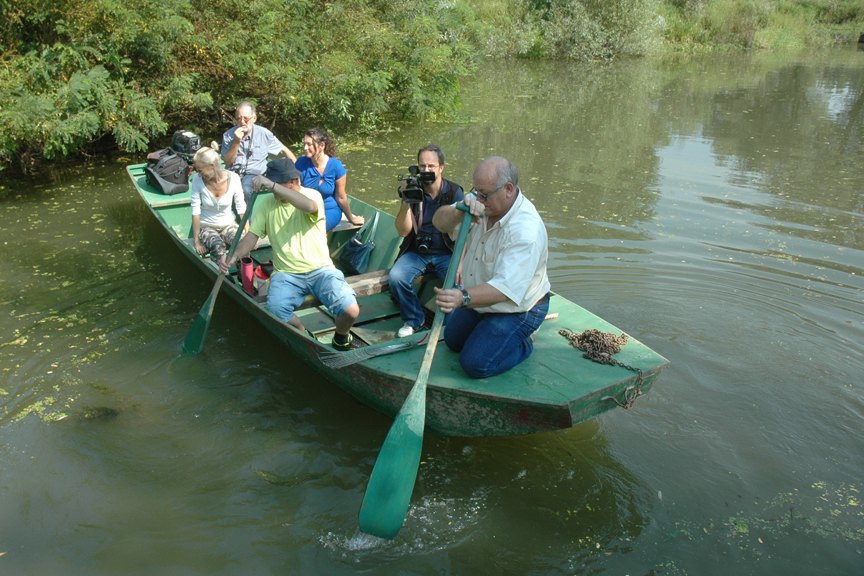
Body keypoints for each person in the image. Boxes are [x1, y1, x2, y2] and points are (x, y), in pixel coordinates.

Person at [220, 158, 364, 351]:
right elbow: (252, 237)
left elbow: (309, 207)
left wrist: (271, 185)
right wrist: (234, 255)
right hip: (286, 274)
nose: (272, 190)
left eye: (277, 185)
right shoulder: (266, 204)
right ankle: (303, 333)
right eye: (271, 185)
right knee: (277, 310)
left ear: (293, 182)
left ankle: (340, 338)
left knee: (351, 311)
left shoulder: (312, 196)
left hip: (321, 269)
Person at [432, 156, 550, 378]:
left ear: (508, 189)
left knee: (475, 364)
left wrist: (461, 298)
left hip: (518, 308)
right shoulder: (480, 201)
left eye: (484, 194)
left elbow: (505, 289)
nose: (478, 198)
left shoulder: (525, 231)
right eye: (475, 191)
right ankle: (491, 332)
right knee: (453, 342)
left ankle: (524, 343)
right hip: (481, 300)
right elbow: (439, 222)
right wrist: (458, 213)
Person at [390, 145, 464, 338]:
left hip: (446, 252)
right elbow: (403, 231)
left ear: (441, 168)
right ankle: (415, 319)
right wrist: (406, 201)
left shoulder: (454, 192)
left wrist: (461, 263)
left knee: (459, 283)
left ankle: (447, 328)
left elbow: (465, 231)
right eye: (422, 166)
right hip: (417, 253)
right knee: (396, 277)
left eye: (431, 166)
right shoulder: (413, 189)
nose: (426, 171)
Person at [221, 101, 296, 203]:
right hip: (233, 172)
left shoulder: (264, 134)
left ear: (254, 118)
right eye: (239, 118)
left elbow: (284, 150)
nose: (242, 121)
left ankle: (248, 219)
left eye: (246, 118)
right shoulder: (228, 135)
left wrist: (296, 173)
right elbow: (228, 162)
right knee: (217, 187)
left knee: (246, 189)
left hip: (254, 174)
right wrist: (236, 141)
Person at [294, 128, 364, 232]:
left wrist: (351, 218)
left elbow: (341, 197)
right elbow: (296, 191)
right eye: (304, 144)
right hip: (307, 209)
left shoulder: (336, 166)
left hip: (330, 210)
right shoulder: (301, 163)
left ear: (322, 145)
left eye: (309, 144)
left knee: (315, 229)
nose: (305, 148)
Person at [190, 146, 247, 269]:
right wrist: (197, 242)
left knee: (242, 245)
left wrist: (249, 234)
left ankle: (245, 280)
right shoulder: (197, 180)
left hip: (229, 224)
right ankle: (224, 279)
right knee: (218, 247)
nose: (198, 174)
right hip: (207, 226)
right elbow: (195, 211)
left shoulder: (234, 178)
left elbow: (241, 208)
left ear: (212, 166)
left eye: (200, 170)